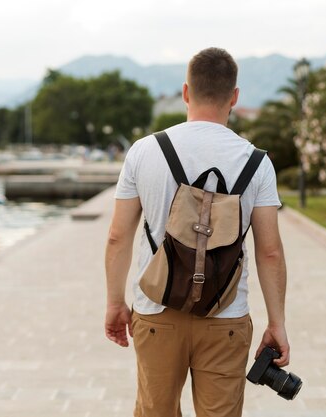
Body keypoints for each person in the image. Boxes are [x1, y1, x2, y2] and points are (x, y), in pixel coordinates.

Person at [105, 47, 289, 417]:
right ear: (234, 97)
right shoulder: (257, 162)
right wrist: (277, 323)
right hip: (226, 318)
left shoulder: (144, 151)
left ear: (186, 92)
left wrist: (114, 303)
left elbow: (117, 237)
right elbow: (270, 251)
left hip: (156, 313)